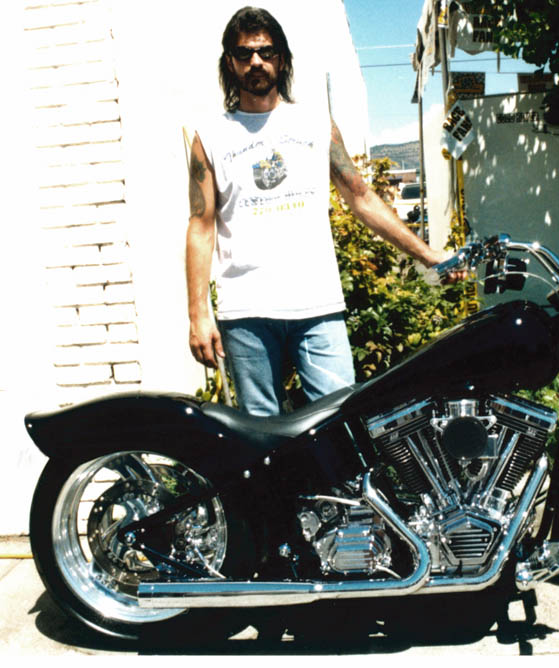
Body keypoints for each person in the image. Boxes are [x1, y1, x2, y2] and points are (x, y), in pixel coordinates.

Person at [186, 6, 454, 416]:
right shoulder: (210, 137)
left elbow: (361, 197)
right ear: (230, 63)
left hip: (317, 306)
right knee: (261, 436)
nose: (256, 61)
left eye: (266, 51)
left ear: (281, 59)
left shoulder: (315, 124)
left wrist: (428, 255)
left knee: (340, 423)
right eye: (244, 53)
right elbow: (201, 227)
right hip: (246, 312)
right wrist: (198, 315)